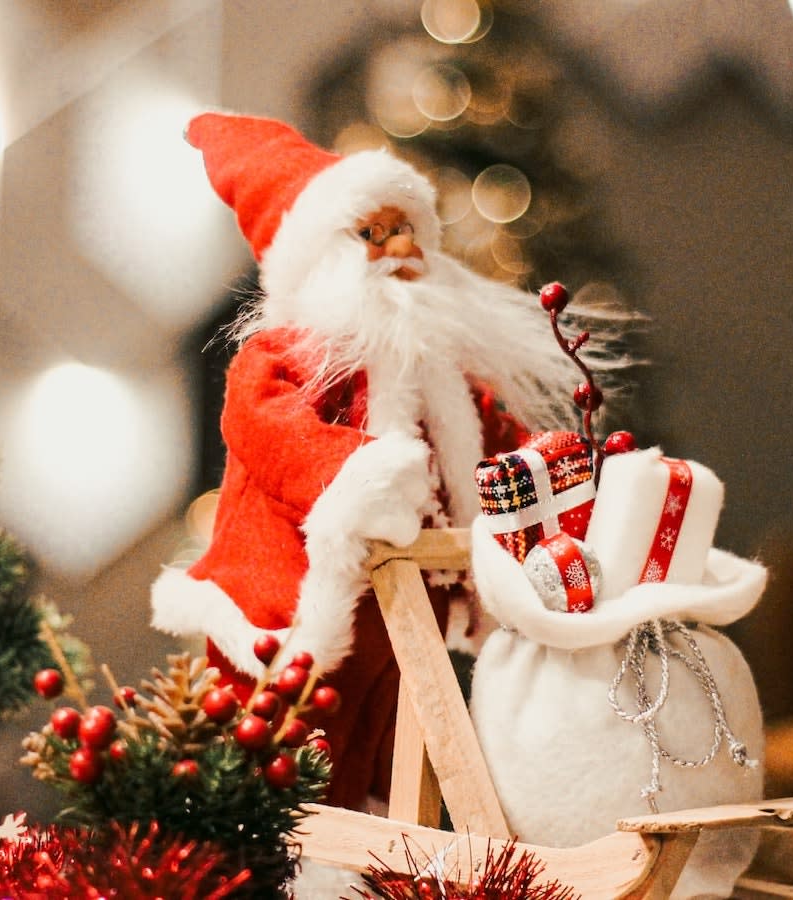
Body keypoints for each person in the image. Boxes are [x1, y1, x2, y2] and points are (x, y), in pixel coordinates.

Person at [151, 112, 616, 809]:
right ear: (324, 258)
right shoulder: (285, 358)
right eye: (374, 234)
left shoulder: (442, 377)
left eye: (408, 231)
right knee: (292, 741)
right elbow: (267, 428)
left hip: (407, 607)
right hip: (294, 602)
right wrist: (360, 475)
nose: (401, 247)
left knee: (389, 744)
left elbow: (493, 441)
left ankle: (373, 856)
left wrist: (545, 473)